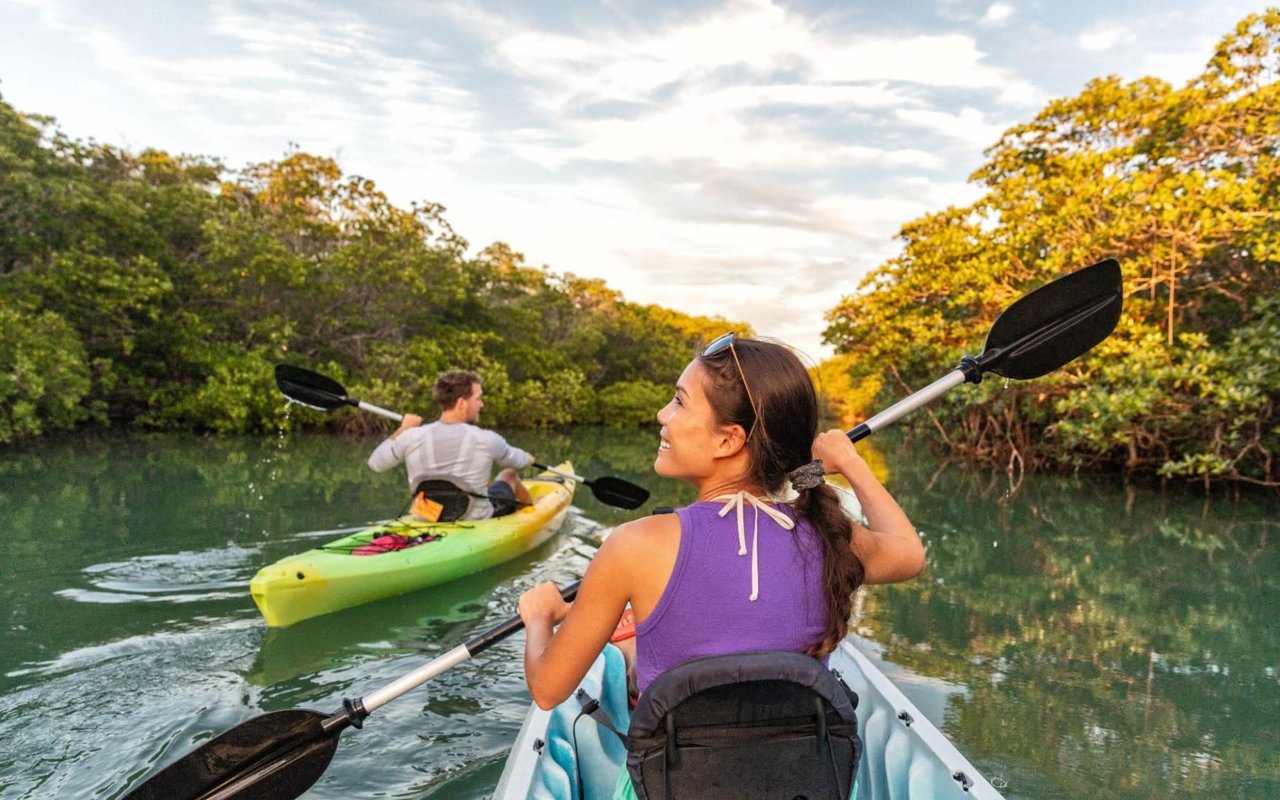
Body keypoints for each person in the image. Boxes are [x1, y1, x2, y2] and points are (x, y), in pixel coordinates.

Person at [518, 334, 925, 765]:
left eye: (679, 402)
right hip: (804, 781)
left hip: (678, 785)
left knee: (627, 654)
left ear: (728, 440)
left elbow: (547, 689)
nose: (662, 414)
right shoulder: (830, 534)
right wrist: (851, 463)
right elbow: (909, 553)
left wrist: (540, 617)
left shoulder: (633, 545)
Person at [368, 369, 534, 520]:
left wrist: (403, 429)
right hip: (474, 518)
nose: (481, 404)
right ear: (462, 403)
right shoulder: (487, 439)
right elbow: (519, 461)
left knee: (485, 482)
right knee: (509, 475)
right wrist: (528, 458)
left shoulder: (411, 436)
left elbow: (376, 463)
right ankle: (533, 514)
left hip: (426, 517)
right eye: (477, 399)